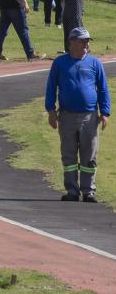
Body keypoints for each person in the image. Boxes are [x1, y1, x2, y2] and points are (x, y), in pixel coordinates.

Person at [45, 27, 110, 203]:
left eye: (87, 40)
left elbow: (103, 88)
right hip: (66, 116)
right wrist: (51, 111)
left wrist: (105, 112)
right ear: (71, 42)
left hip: (89, 117)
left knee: (89, 155)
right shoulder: (60, 63)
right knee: (69, 155)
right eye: (82, 40)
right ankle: (72, 190)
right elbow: (51, 87)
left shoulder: (95, 63)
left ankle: (89, 191)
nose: (86, 44)